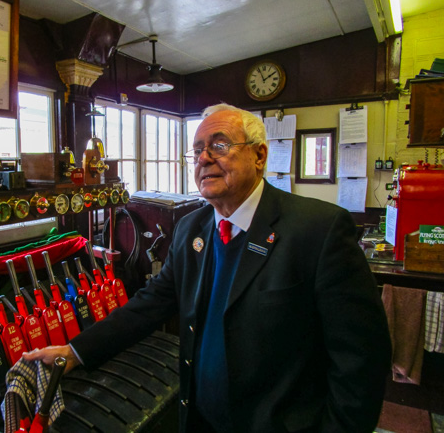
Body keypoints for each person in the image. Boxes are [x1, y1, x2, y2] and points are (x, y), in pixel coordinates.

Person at [24, 103, 392, 432]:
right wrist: (75, 351)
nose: (203, 158)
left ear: (260, 155)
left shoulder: (319, 230)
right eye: (197, 149)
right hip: (201, 419)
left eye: (219, 145)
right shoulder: (191, 229)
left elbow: (361, 361)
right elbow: (150, 304)